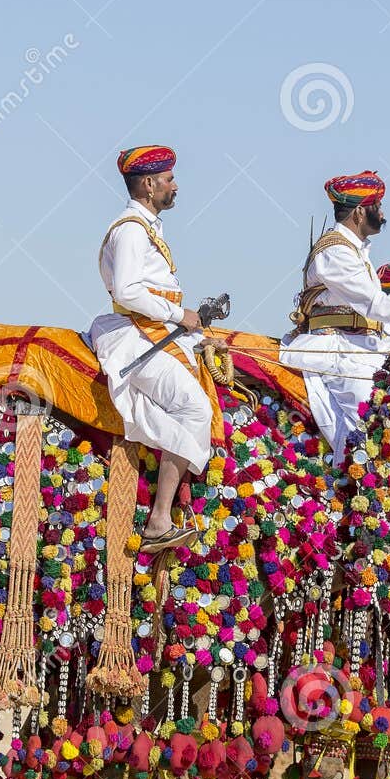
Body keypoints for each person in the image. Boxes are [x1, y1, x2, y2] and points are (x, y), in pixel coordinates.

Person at [88, 145, 221, 551]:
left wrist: (192, 329)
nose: (175, 186)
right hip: (133, 334)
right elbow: (128, 291)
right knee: (195, 408)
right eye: (169, 180)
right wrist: (179, 315)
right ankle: (159, 519)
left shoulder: (149, 228)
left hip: (155, 329)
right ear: (149, 185)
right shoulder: (130, 229)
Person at [281, 171, 390, 463]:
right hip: (336, 349)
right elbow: (374, 304)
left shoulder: (355, 251)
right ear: (360, 212)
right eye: (377, 207)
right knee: (371, 415)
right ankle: (353, 481)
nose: (382, 213)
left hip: (359, 347)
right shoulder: (335, 251)